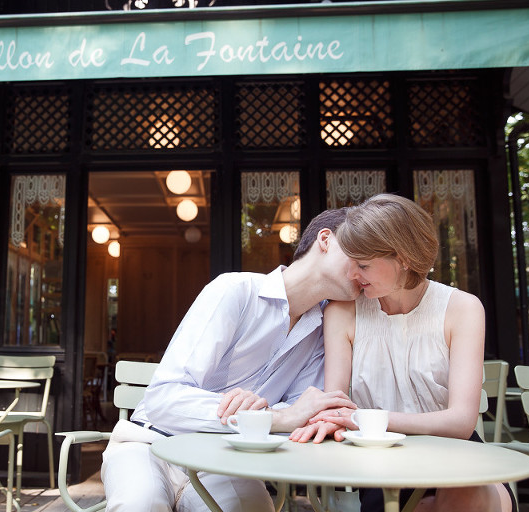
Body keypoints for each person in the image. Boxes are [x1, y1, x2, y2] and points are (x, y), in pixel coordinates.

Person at [100, 207, 361, 512]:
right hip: (148, 443)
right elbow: (162, 398)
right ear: (326, 240)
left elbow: (302, 414)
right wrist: (272, 418)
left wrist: (282, 416)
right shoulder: (235, 290)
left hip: (227, 458)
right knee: (140, 504)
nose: (369, 264)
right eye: (362, 250)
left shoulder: (322, 333)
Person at [289, 194, 514, 512]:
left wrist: (360, 419)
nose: (353, 274)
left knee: (463, 494)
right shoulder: (342, 312)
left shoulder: (461, 308)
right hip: (382, 460)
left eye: (364, 264)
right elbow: (334, 406)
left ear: (404, 258)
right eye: (352, 262)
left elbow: (461, 422)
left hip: (456, 452)